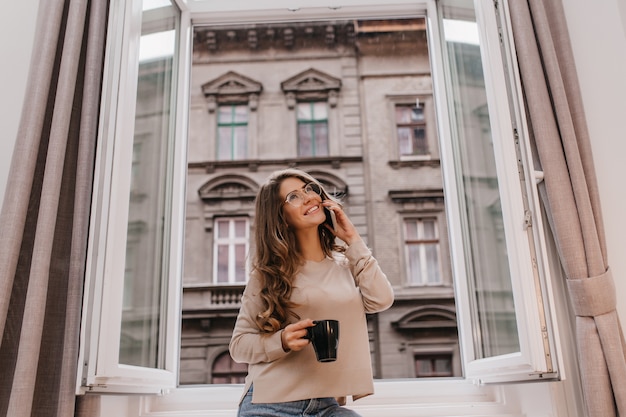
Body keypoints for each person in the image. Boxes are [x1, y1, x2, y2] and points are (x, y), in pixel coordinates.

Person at [229, 168, 394, 417]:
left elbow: (381, 300)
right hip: (270, 404)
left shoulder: (346, 263)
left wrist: (353, 240)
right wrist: (281, 341)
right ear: (281, 217)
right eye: (293, 197)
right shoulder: (267, 274)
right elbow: (239, 345)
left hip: (325, 405)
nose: (308, 197)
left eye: (309, 189)